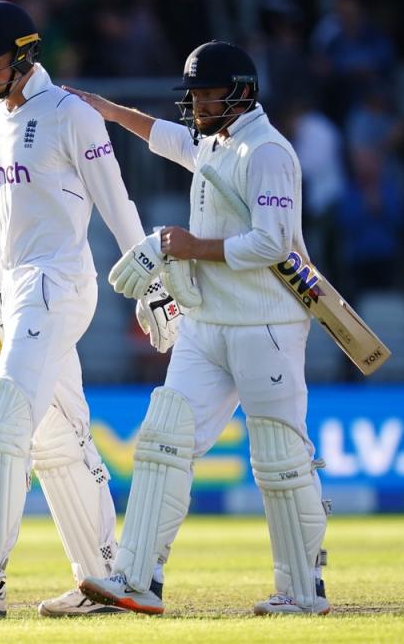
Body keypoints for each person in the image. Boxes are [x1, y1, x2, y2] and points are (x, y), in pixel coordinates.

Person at [0, 1, 180, 618]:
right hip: (16, 293)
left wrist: (154, 285)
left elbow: (117, 204)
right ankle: (106, 579)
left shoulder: (71, 114)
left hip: (60, 284)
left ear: (25, 52)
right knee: (56, 439)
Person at [65, 41, 331, 616]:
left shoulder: (267, 152)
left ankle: (304, 589)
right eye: (193, 96)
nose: (196, 106)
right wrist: (105, 111)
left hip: (267, 323)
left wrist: (188, 247)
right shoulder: (214, 140)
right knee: (163, 438)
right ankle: (136, 579)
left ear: (239, 93)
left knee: (281, 458)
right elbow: (163, 135)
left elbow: (273, 243)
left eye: (206, 95)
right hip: (207, 324)